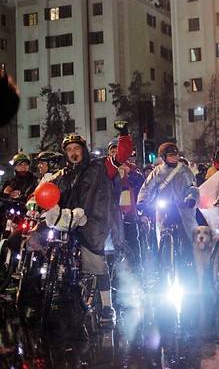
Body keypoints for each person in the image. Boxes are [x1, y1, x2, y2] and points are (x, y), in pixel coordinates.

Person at [48, 121, 133, 326]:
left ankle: (107, 306)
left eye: (76, 148)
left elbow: (122, 155)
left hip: (93, 224)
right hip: (69, 223)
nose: (73, 153)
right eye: (69, 150)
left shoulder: (100, 167)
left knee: (97, 266)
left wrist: (123, 134)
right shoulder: (63, 174)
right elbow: (46, 191)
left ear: (83, 150)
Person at [137, 142, 200, 251]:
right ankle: (162, 257)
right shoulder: (157, 171)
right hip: (164, 208)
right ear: (164, 157)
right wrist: (142, 201)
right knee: (160, 235)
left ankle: (189, 261)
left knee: (187, 239)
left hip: (182, 208)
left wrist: (191, 199)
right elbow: (147, 187)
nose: (175, 157)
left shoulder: (185, 170)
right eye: (171, 155)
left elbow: (193, 187)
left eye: (176, 154)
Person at [108, 139, 145, 268]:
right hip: (111, 214)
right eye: (112, 152)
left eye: (117, 151)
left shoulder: (132, 167)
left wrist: (128, 171)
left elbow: (141, 183)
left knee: (132, 242)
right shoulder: (107, 169)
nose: (115, 154)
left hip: (129, 213)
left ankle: (136, 270)